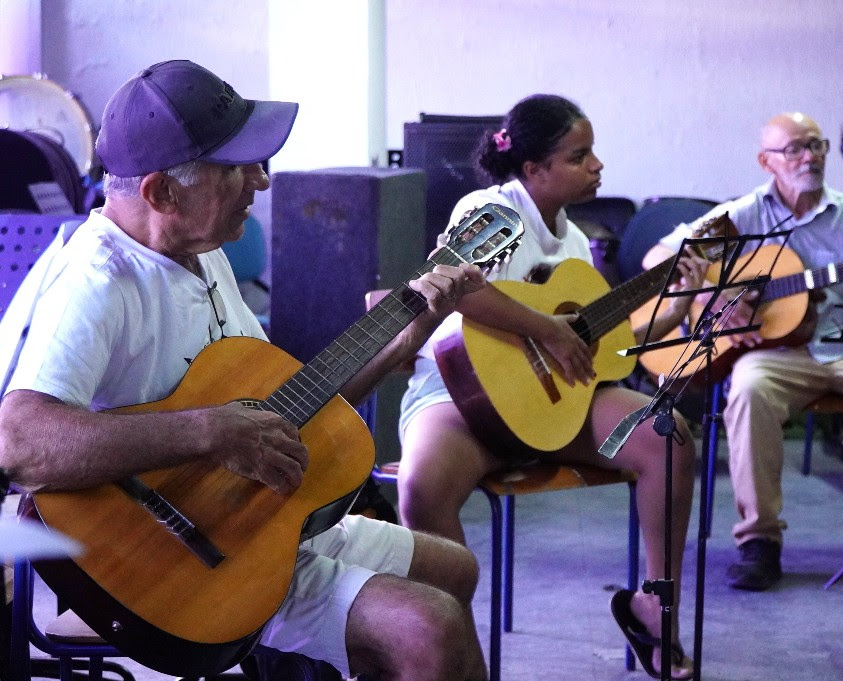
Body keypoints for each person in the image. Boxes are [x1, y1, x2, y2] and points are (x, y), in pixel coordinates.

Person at [0, 60, 490, 681]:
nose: (260, 180)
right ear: (161, 193)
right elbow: (18, 442)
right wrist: (209, 431)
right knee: (427, 626)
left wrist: (400, 344)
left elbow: (286, 411)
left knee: (456, 572)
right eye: (235, 168)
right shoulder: (98, 283)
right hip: (179, 562)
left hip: (258, 521)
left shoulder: (204, 253)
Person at [398, 94, 707, 680]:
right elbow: (461, 287)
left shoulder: (572, 241)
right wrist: (548, 329)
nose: (597, 167)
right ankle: (457, 659)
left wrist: (682, 298)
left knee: (667, 436)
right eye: (579, 155)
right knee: (421, 488)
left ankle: (653, 609)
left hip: (549, 406)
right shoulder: (490, 209)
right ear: (535, 168)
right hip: (460, 398)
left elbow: (612, 344)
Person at [643, 111, 843, 591]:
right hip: (773, 357)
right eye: (794, 148)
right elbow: (658, 258)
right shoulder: (741, 214)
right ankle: (759, 540)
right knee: (748, 391)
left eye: (816, 145)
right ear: (766, 161)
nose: (809, 156)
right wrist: (711, 296)